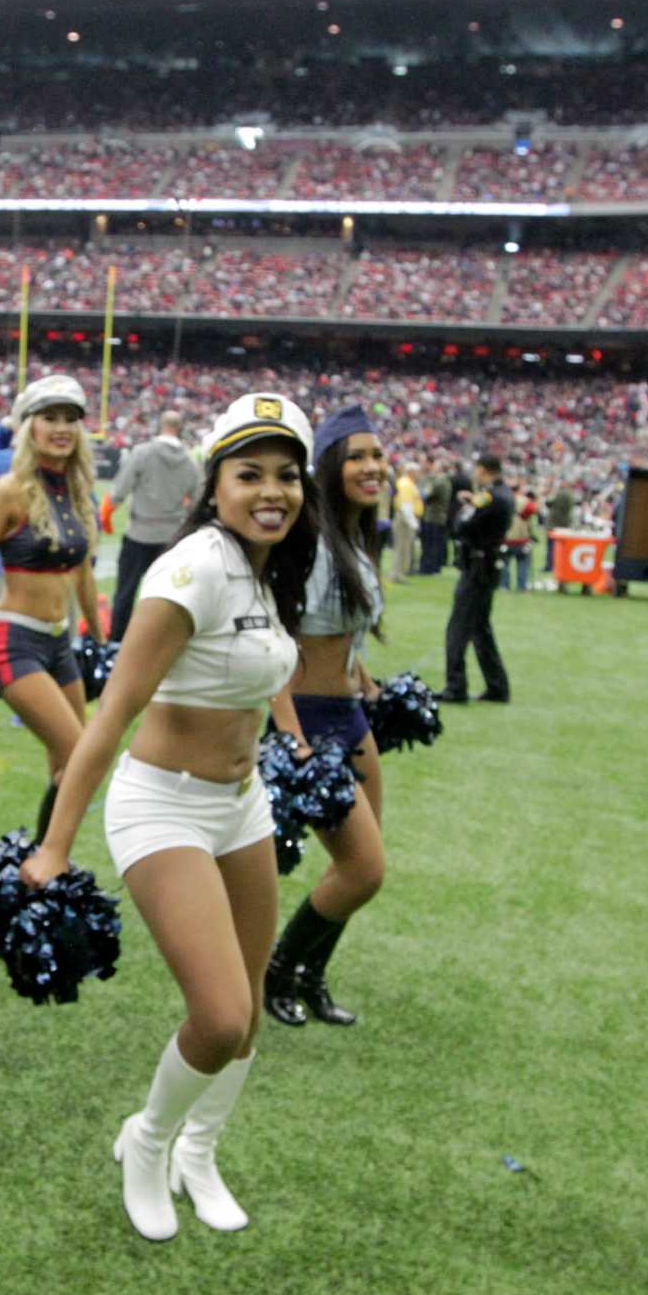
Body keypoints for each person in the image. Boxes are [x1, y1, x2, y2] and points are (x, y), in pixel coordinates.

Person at [21, 393, 317, 1242]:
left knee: (249, 1010)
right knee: (219, 1015)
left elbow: (268, 667)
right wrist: (54, 846)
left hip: (241, 803)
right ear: (213, 485)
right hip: (163, 807)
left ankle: (200, 1151)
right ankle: (147, 1142)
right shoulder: (191, 570)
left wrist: (290, 741)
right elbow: (110, 716)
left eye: (286, 476)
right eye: (249, 474)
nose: (272, 490)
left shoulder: (267, 563)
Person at [265, 404, 390, 1031]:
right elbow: (279, 642)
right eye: (359, 456)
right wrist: (292, 738)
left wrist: (367, 682)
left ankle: (311, 977)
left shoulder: (356, 536)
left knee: (360, 867)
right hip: (309, 719)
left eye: (378, 455)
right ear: (332, 465)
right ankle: (278, 971)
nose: (373, 467)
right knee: (364, 869)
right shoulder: (306, 537)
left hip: (349, 715)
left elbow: (344, 633)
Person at [0, 374, 105, 842]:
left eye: (71, 419)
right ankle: (45, 860)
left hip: (61, 647)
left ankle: (46, 872)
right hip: (16, 644)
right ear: (27, 427)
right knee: (80, 756)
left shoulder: (76, 490)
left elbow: (85, 575)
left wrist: (97, 637)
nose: (62, 428)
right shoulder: (8, 490)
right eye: (49, 417)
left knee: (66, 766)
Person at [107, 409, 204, 640]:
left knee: (125, 593)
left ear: (160, 426)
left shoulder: (142, 453)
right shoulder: (190, 461)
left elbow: (119, 490)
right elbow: (199, 502)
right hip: (171, 538)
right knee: (170, 596)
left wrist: (110, 509)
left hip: (139, 534)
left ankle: (116, 643)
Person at [441, 452, 515, 705]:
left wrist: (467, 507)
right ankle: (497, 686)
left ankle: (456, 685)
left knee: (458, 628)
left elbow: (462, 525)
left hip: (476, 567)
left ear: (484, 470)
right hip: (487, 566)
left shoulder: (490, 497)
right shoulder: (502, 494)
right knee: (481, 629)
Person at [418, 462, 452, 574]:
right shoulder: (446, 481)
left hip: (433, 515)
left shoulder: (439, 482)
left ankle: (427, 568)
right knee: (437, 543)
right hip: (440, 515)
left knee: (430, 544)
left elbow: (427, 495)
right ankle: (435, 567)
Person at [389, 460, 420, 583]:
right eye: (417, 472)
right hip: (404, 519)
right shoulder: (406, 484)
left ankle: (399, 573)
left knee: (403, 547)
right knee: (402, 547)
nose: (419, 474)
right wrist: (413, 523)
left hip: (405, 517)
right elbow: (406, 505)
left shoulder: (407, 483)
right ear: (411, 472)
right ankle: (397, 574)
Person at [502, 489, 537, 592]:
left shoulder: (503, 500)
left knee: (504, 563)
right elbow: (533, 509)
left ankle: (504, 585)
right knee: (523, 564)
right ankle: (521, 586)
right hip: (522, 539)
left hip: (506, 539)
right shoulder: (526, 501)